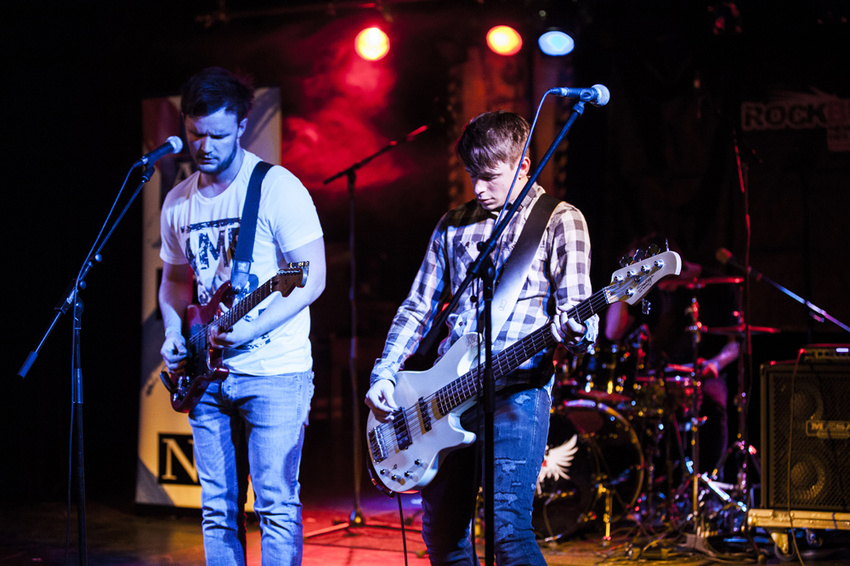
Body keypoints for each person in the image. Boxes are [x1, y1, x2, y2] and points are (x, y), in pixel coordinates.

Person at [365, 110, 598, 565]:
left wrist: (577, 330)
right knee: (444, 540)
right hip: (447, 393)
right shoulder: (453, 225)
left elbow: (579, 316)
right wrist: (386, 373)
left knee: (509, 534)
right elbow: (418, 306)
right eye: (472, 176)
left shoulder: (559, 220)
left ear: (524, 164)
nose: (478, 188)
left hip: (518, 392)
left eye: (490, 177)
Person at [158, 67, 326, 565]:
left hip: (275, 373)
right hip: (205, 376)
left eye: (216, 134)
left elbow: (311, 277)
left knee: (275, 504)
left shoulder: (277, 189)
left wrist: (253, 326)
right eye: (194, 134)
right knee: (216, 509)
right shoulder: (176, 203)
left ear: (243, 125)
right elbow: (172, 283)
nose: (203, 146)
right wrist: (172, 332)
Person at [605, 238, 740, 478]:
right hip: (658, 375)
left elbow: (736, 344)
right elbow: (612, 332)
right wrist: (623, 286)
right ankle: (643, 485)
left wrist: (715, 364)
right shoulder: (650, 290)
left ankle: (703, 480)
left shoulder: (718, 286)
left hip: (703, 374)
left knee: (712, 399)